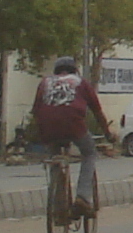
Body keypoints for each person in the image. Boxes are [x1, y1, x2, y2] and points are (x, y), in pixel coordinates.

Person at [31, 55, 111, 212]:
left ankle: (58, 204)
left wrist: (41, 134)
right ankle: (82, 197)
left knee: (54, 159)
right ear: (75, 70)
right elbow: (97, 112)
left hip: (48, 127)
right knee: (89, 154)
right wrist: (108, 134)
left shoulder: (45, 82)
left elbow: (35, 111)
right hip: (73, 125)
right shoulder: (81, 82)